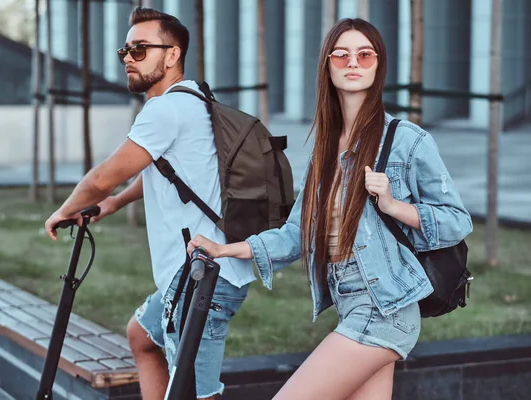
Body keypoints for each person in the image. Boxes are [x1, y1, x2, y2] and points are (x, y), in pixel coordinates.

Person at [188, 18, 473, 400]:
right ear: (327, 65)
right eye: (341, 55)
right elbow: (295, 235)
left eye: (364, 54)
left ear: (378, 65)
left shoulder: (406, 141)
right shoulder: (324, 148)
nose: (353, 63)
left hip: (384, 307)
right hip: (350, 304)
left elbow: (457, 221)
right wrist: (226, 250)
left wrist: (393, 205)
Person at [44, 7, 254, 400]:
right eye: (125, 49)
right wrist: (115, 204)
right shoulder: (196, 98)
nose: (128, 57)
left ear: (172, 55)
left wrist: (64, 210)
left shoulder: (165, 109)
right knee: (141, 336)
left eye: (140, 49)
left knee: (195, 394)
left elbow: (102, 177)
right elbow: (170, 171)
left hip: (201, 276)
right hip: (204, 270)